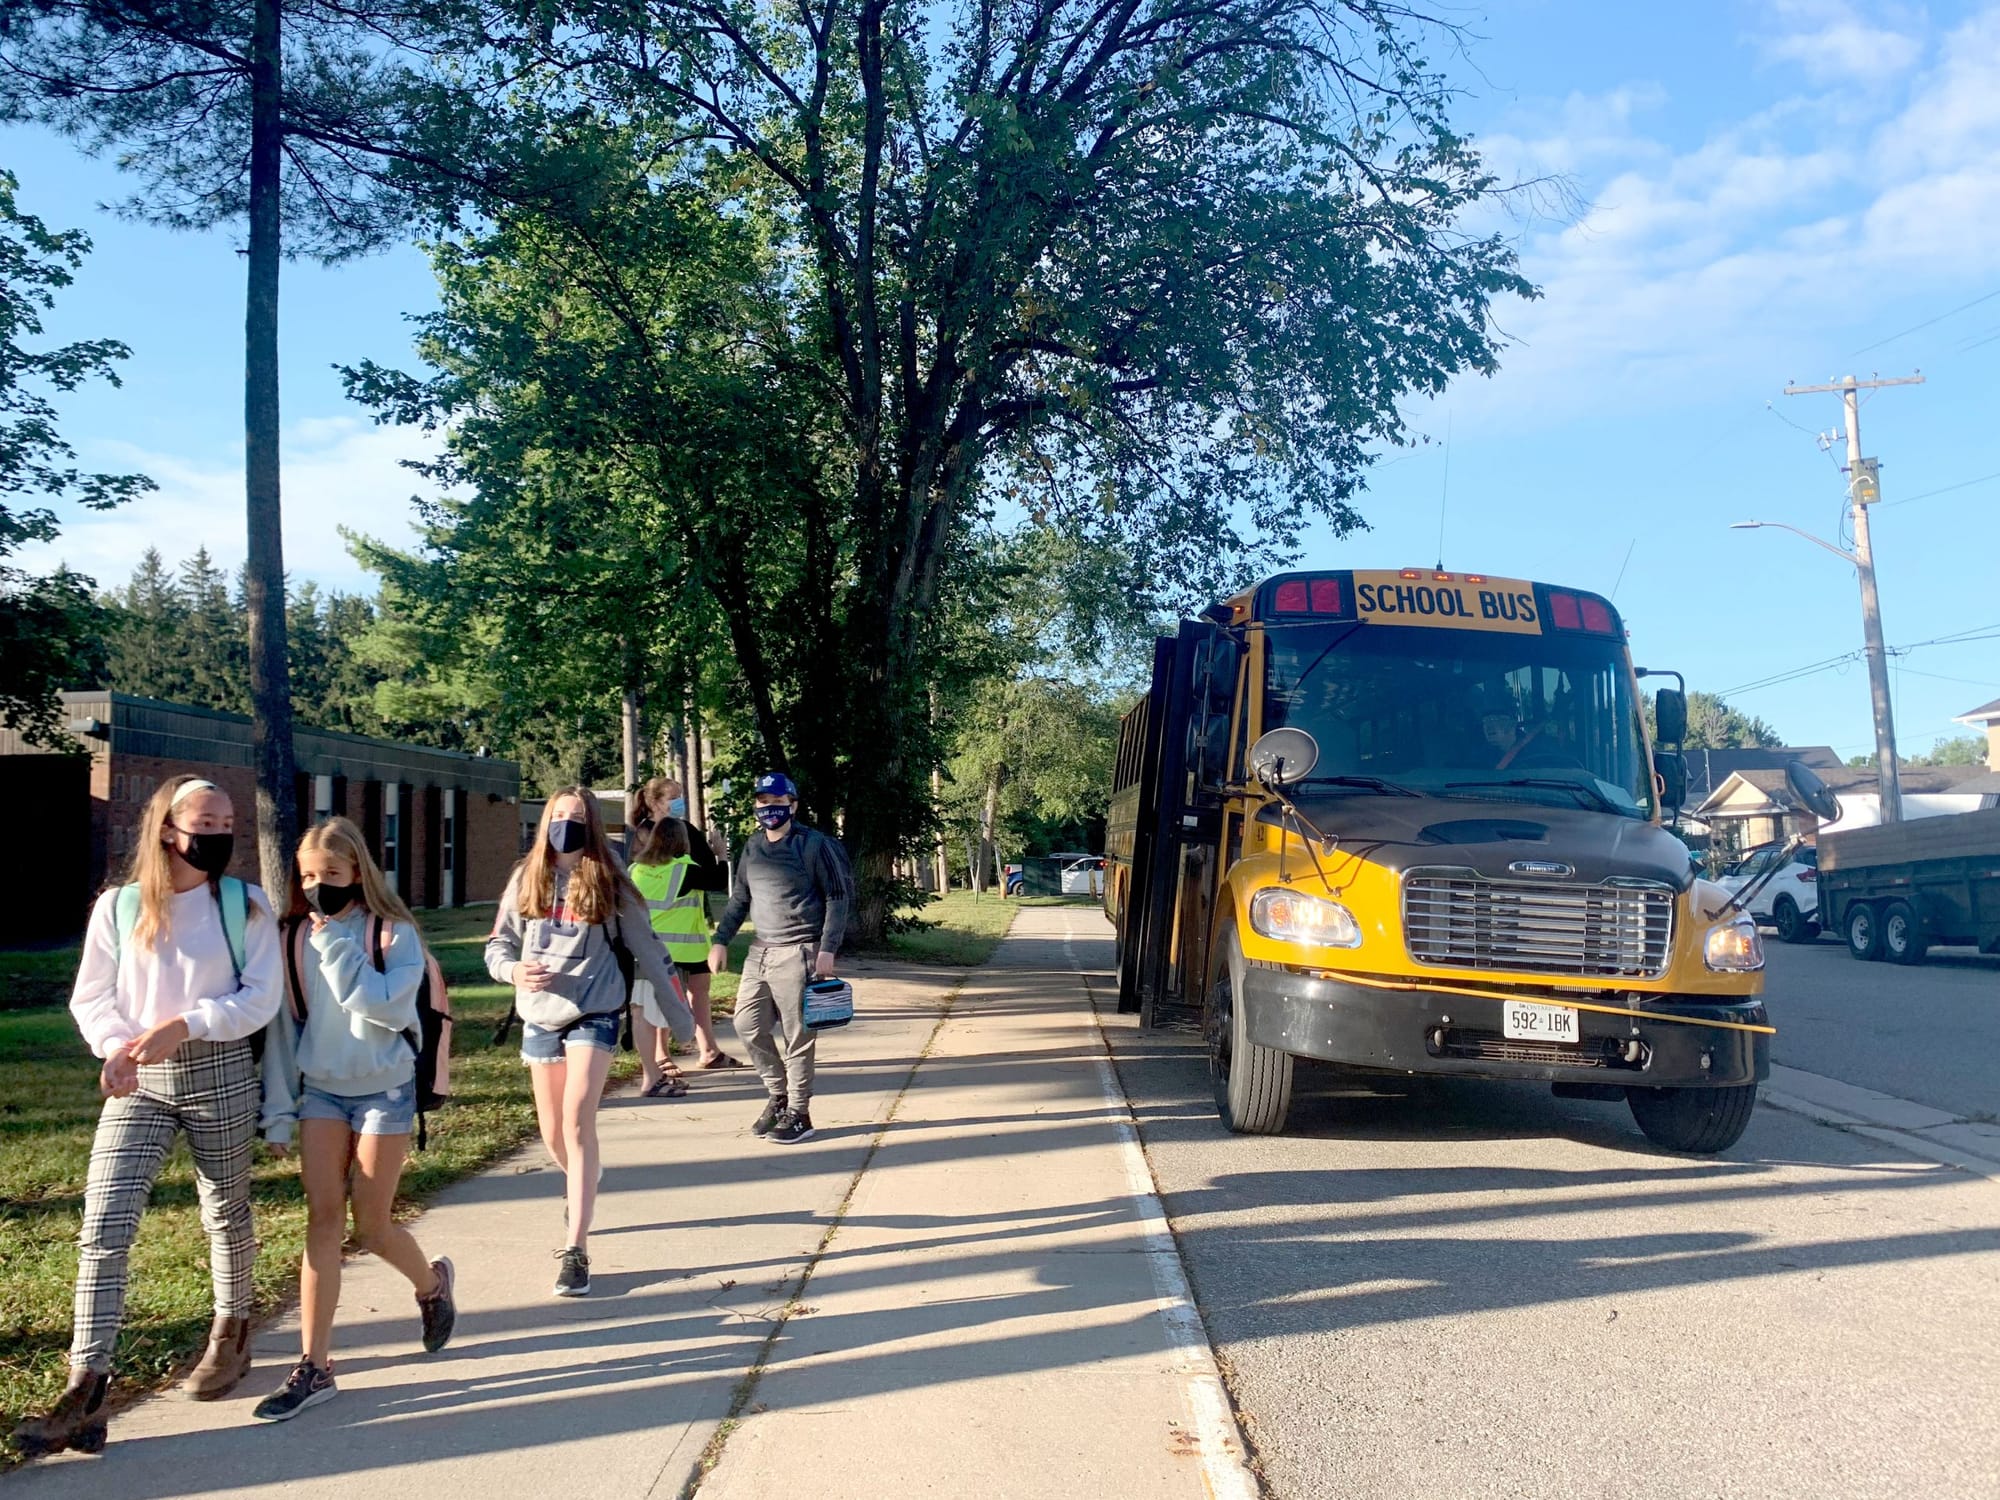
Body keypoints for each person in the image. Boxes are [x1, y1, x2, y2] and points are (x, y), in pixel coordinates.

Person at [13, 776, 283, 1457]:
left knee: (225, 1208)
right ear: (168, 827)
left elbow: (262, 998)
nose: (220, 833)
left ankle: (231, 1333)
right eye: (206, 821)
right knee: (104, 1221)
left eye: (228, 823)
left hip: (217, 1070)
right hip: (139, 1079)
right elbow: (92, 996)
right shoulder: (119, 906)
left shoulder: (244, 903)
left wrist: (187, 1024)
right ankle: (87, 1386)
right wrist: (114, 1048)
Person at [252, 817, 458, 1422]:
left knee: (371, 1227)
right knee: (321, 1220)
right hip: (321, 1093)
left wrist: (335, 945)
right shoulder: (291, 939)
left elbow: (383, 1006)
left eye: (332, 875)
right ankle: (314, 1366)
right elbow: (285, 1033)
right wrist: (279, 1113)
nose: (318, 886)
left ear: (358, 873)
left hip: (384, 1093)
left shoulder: (392, 935)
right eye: (308, 876)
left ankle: (432, 1285)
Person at [486, 788, 694, 1297]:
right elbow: (497, 946)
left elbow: (648, 947)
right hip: (540, 1014)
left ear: (593, 824)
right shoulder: (525, 879)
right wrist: (514, 970)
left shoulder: (609, 879)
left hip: (595, 1010)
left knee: (578, 1120)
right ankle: (585, 1179)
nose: (566, 825)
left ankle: (576, 1247)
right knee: (554, 1131)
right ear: (545, 823)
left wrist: (683, 1021)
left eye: (576, 817)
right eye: (558, 816)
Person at [708, 773, 851, 1146]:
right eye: (761, 801)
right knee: (747, 1025)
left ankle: (800, 1114)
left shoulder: (815, 845)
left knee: (797, 1038)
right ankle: (779, 1094)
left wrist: (827, 949)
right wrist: (720, 940)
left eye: (777, 801)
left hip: (800, 951)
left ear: (793, 805)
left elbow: (838, 896)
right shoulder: (752, 846)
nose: (768, 808)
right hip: (760, 951)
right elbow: (740, 899)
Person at [627, 776, 739, 1096]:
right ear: (653, 801)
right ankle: (662, 1056)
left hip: (690, 935)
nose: (679, 802)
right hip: (665, 942)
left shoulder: (683, 833)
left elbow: (701, 867)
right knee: (663, 1000)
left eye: (680, 796)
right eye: (673, 797)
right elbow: (708, 873)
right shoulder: (648, 836)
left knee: (698, 990)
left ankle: (709, 1051)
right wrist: (721, 856)